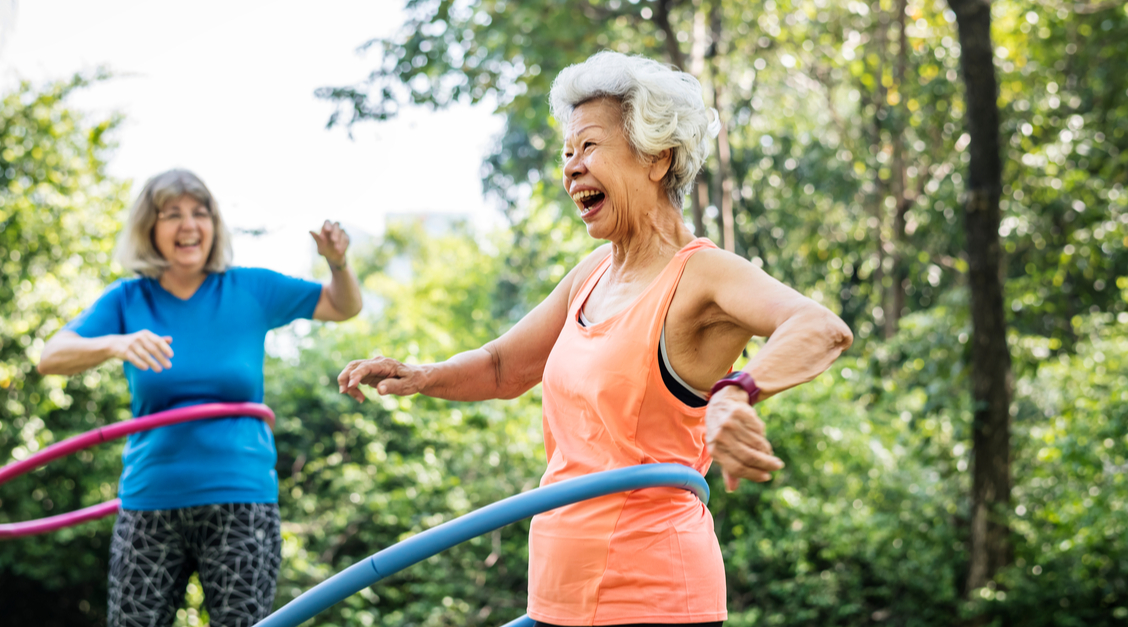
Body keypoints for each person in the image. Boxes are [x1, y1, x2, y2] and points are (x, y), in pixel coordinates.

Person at [337, 51, 853, 627]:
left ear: (657, 158)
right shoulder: (592, 274)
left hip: (650, 594)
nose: (570, 168)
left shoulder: (702, 274)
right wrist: (422, 374)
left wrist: (735, 392)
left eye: (588, 147)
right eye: (566, 152)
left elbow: (821, 328)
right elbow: (504, 366)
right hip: (556, 595)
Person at [37, 169, 362, 627]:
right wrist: (113, 343)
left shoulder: (250, 288)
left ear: (214, 224)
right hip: (149, 502)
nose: (189, 225)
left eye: (200, 212)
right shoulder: (129, 299)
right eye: (172, 214)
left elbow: (342, 306)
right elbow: (50, 356)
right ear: (149, 229)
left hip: (241, 501)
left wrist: (338, 264)